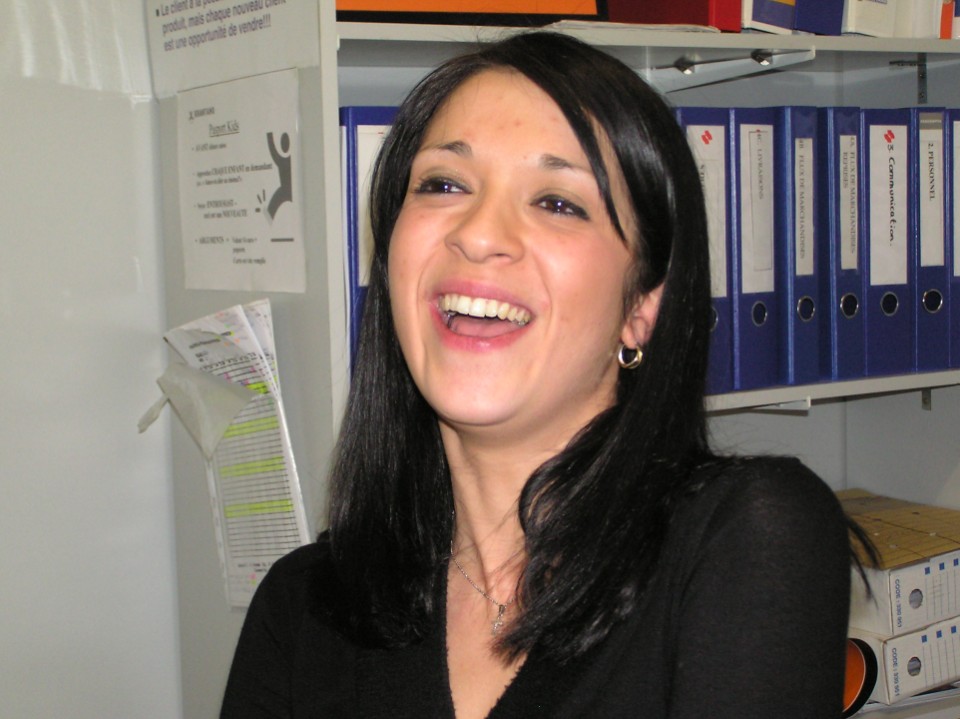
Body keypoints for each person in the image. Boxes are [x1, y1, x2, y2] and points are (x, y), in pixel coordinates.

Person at [220, 31, 853, 718]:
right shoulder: (302, 606)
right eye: (443, 184)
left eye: (557, 202)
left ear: (642, 307)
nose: (478, 233)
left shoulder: (748, 536)